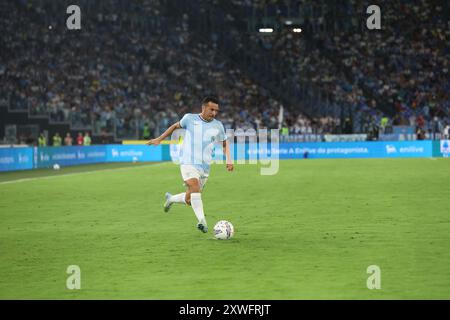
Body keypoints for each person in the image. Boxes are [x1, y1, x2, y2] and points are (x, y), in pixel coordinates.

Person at [146, 96, 234, 233]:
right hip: (188, 162)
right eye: (212, 109)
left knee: (189, 199)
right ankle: (202, 221)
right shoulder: (189, 118)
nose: (214, 113)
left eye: (216, 111)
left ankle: (171, 199)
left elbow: (224, 143)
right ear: (203, 107)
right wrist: (160, 138)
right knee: (194, 185)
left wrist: (229, 159)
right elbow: (175, 126)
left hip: (205, 167)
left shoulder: (218, 125)